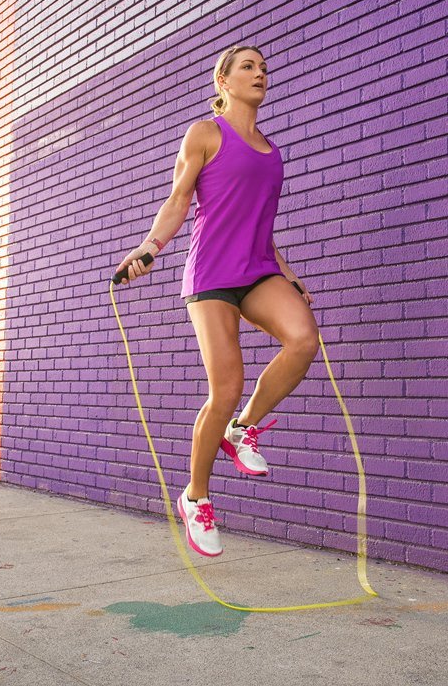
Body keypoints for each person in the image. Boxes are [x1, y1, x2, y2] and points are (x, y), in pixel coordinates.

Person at [113, 44, 319, 557]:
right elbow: (179, 198)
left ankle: (243, 429)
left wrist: (289, 275)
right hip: (211, 274)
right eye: (247, 67)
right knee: (224, 387)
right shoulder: (206, 133)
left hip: (259, 268)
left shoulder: (272, 153)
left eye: (264, 67)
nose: (260, 73)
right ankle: (196, 497)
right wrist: (149, 246)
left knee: (303, 339)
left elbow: (262, 226)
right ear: (223, 80)